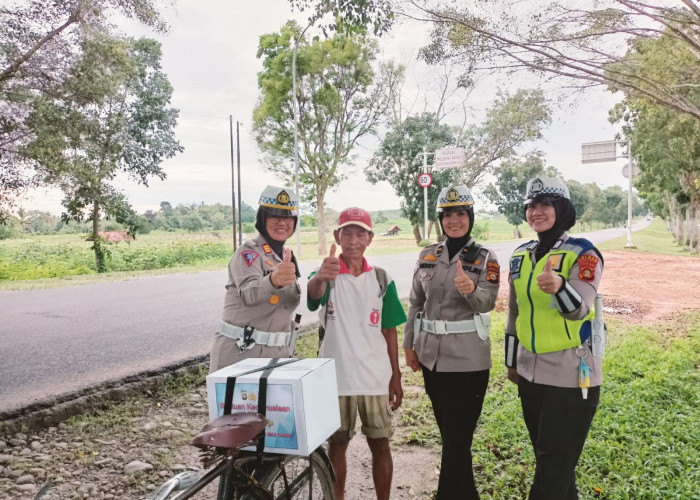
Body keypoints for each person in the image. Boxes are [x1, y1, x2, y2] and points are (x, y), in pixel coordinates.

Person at [504, 176, 605, 500]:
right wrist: (511, 362)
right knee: (553, 465)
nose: (537, 211)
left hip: (570, 376)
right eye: (531, 205)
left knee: (551, 470)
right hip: (530, 374)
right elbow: (514, 314)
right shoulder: (520, 256)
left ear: (561, 209)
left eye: (546, 204)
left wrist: (561, 288)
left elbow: (580, 309)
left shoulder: (584, 253)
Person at [403, 185, 500, 500]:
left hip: (469, 363)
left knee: (456, 443)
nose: (454, 220)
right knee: (454, 443)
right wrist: (409, 343)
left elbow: (487, 304)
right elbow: (415, 303)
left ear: (470, 217)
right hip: (432, 360)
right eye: (448, 214)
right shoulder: (427, 255)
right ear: (441, 219)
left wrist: (470, 288)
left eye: (461, 213)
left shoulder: (485, 257)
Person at [307, 207, 406, 500]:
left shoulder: (381, 279)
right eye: (346, 233)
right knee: (337, 445)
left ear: (369, 239)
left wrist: (396, 376)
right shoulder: (327, 273)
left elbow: (389, 330)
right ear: (337, 236)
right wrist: (320, 279)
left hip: (375, 378)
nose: (352, 240)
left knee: (381, 445)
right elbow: (313, 297)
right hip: (337, 380)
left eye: (359, 233)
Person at [209, 185, 301, 372]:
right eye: (275, 216)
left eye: (287, 217)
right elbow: (248, 293)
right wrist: (273, 280)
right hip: (242, 353)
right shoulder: (248, 253)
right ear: (262, 218)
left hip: (277, 354)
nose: (282, 223)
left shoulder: (285, 256)